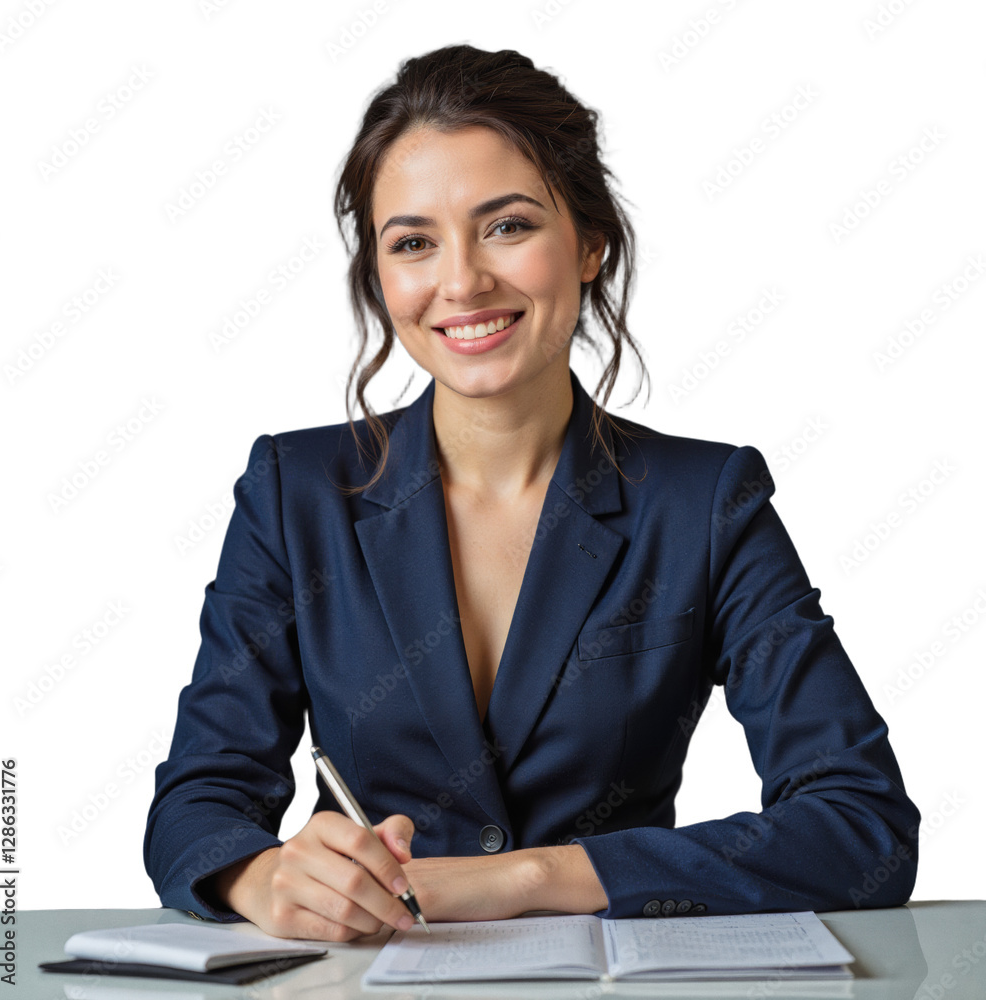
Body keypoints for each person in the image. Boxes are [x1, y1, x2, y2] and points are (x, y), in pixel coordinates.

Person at [144, 43, 920, 942]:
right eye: (413, 243)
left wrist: (526, 877)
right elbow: (197, 805)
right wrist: (263, 875)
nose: (462, 282)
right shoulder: (296, 493)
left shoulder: (707, 503)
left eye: (507, 226)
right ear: (380, 277)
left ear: (589, 243)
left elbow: (860, 824)